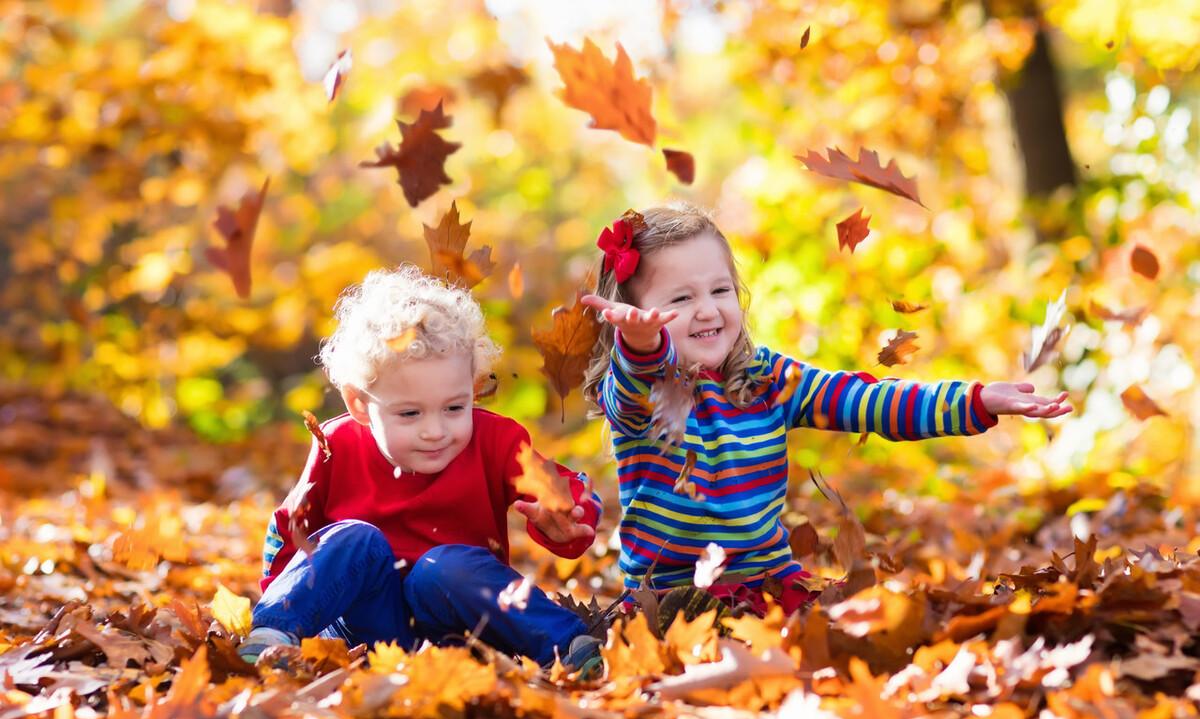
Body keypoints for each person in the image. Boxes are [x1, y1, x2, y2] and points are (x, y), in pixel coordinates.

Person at [581, 203, 1071, 615]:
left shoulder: (765, 379)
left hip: (771, 582)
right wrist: (641, 345)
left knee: (861, 627)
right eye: (681, 298)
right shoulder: (641, 396)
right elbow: (633, 384)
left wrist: (974, 400)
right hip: (674, 598)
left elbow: (865, 401)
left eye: (720, 290)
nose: (708, 310)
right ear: (629, 317)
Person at [238, 265, 604, 678]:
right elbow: (292, 527)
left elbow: (564, 489)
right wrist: (285, 604)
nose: (436, 431)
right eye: (410, 413)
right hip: (365, 625)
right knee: (353, 538)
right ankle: (271, 639)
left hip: (459, 624)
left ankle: (567, 647)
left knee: (444, 567)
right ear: (360, 404)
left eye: (454, 407)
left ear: (473, 386)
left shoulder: (495, 441)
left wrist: (569, 517)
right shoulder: (335, 446)